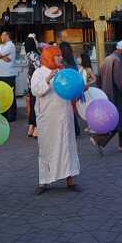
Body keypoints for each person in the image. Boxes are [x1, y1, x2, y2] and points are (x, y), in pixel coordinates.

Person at [30, 46, 81, 194]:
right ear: (49, 57)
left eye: (60, 55)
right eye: (57, 55)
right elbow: (35, 91)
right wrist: (48, 78)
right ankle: (44, 181)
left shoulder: (63, 71)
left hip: (65, 115)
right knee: (47, 147)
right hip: (48, 117)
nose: (60, 58)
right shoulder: (39, 72)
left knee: (67, 146)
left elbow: (71, 89)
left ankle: (70, 179)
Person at [91, 41, 122, 154]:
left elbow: (98, 78)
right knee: (118, 121)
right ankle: (99, 139)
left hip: (107, 95)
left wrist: (102, 92)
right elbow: (121, 82)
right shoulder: (117, 61)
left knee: (119, 121)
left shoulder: (107, 59)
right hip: (117, 97)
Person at [59, 42, 82, 136]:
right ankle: (76, 129)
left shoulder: (62, 61)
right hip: (74, 87)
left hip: (65, 87)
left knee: (67, 110)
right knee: (72, 109)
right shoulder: (72, 60)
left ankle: (72, 130)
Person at [0, 31, 17, 122]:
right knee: (1, 95)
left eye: (2, 35)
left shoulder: (10, 45)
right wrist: (2, 56)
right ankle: (3, 113)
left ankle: (12, 115)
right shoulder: (1, 46)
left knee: (10, 94)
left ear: (7, 36)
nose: (1, 37)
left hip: (8, 75)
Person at [24, 35, 41, 138]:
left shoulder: (27, 55)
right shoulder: (34, 54)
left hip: (30, 81)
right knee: (36, 104)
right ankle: (36, 128)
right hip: (36, 81)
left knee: (32, 103)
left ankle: (30, 127)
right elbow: (39, 66)